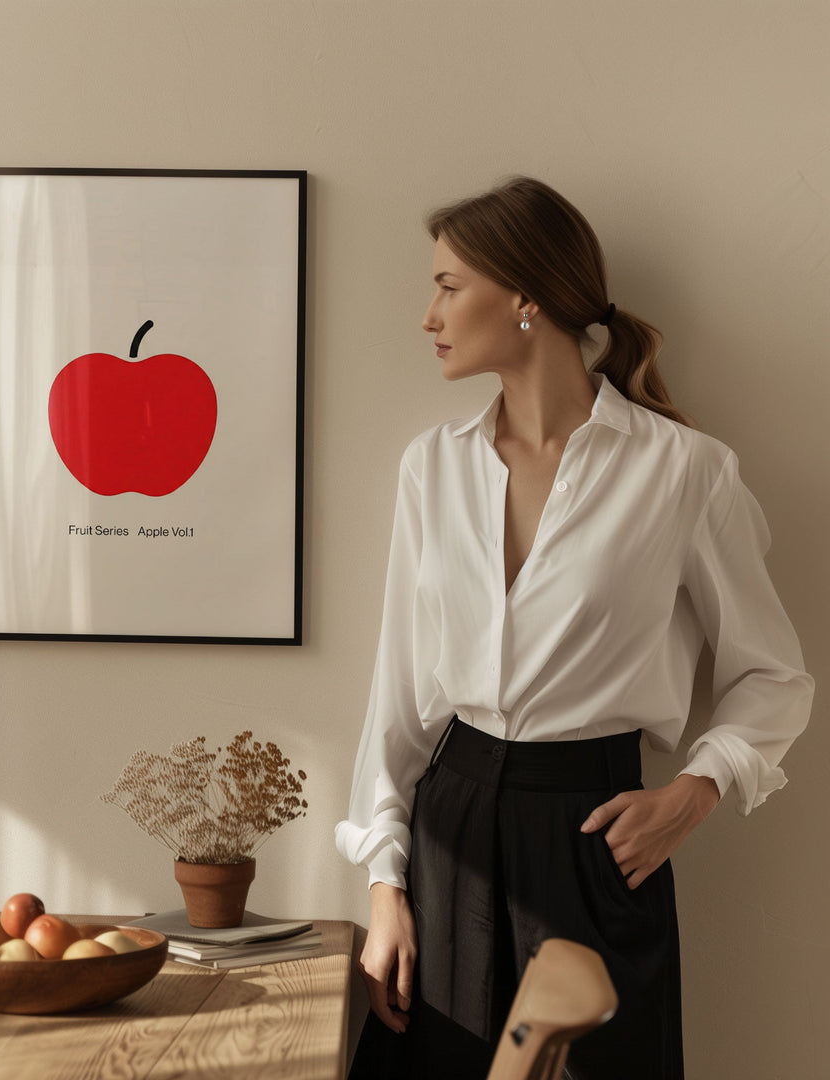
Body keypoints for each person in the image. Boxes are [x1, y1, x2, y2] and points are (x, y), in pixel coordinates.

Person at [334, 176, 814, 1080]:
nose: (427, 313)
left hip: (598, 845)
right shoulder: (430, 470)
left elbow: (775, 677)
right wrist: (385, 884)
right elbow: (397, 703)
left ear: (525, 298)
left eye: (447, 284)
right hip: (450, 835)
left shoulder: (683, 472)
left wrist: (697, 792)